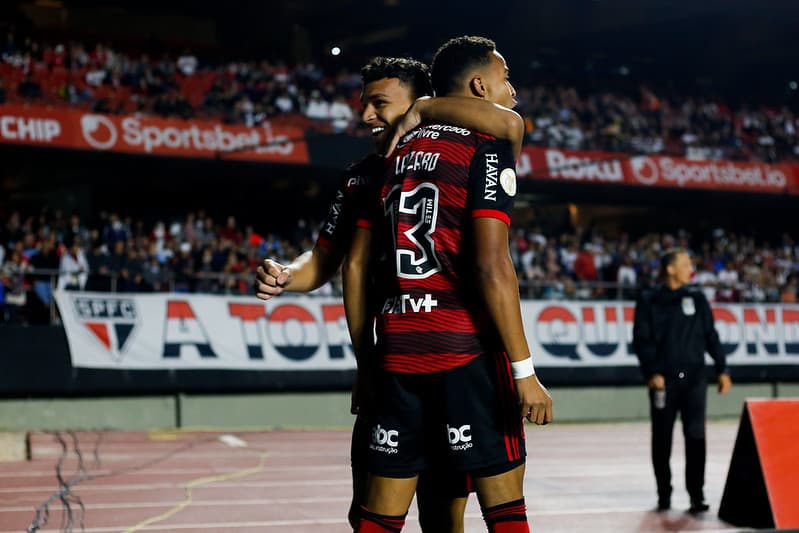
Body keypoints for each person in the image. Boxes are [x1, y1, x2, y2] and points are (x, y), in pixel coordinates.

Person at [254, 56, 524, 532]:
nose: (366, 116)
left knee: (418, 509)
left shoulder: (405, 162)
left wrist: (425, 109)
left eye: (379, 104)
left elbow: (348, 268)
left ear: (422, 100)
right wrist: (284, 273)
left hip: (407, 355)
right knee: (409, 507)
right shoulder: (370, 172)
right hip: (435, 357)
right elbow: (324, 260)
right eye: (365, 105)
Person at [354, 36, 552, 533]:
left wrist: (366, 361)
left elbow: (356, 269)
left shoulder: (387, 159)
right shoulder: (486, 148)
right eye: (506, 80)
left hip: (397, 350)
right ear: (481, 84)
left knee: (380, 518)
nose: (513, 91)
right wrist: (524, 370)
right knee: (504, 513)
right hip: (464, 352)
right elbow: (491, 267)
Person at [632, 247, 732, 514]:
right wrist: (652, 372)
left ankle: (696, 495)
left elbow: (711, 335)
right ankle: (664, 493)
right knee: (662, 439)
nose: (691, 269)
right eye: (686, 264)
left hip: (696, 381)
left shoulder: (697, 298)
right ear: (670, 268)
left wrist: (722, 369)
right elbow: (641, 339)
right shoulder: (649, 299)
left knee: (696, 436)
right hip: (663, 382)